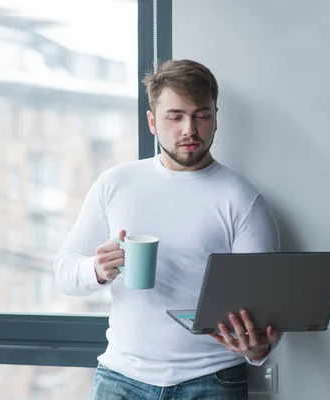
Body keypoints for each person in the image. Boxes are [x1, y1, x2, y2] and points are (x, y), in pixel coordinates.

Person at [54, 59, 281, 399]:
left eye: (201, 115)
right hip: (121, 380)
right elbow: (64, 272)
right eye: (175, 116)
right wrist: (97, 270)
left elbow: (265, 313)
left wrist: (256, 350)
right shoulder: (115, 184)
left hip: (211, 381)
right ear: (152, 122)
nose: (189, 129)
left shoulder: (243, 200)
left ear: (215, 118)